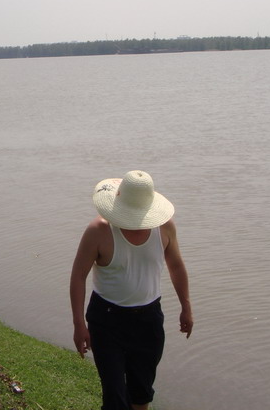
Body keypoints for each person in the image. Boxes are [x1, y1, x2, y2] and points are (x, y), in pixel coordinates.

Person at [70, 170, 193, 410]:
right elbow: (78, 276)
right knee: (114, 395)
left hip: (149, 319)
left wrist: (186, 307)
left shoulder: (164, 227)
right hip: (107, 320)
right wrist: (78, 324)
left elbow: (176, 266)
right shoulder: (99, 230)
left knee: (141, 393)